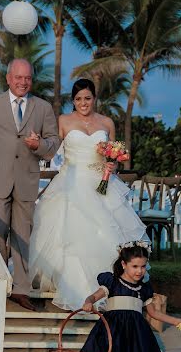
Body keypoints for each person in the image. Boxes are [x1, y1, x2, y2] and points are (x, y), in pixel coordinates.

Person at [29, 78, 148, 310]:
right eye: (78, 99)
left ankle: (109, 287)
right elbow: (50, 149)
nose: (83, 103)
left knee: (106, 232)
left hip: (102, 183)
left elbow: (117, 155)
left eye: (87, 98)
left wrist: (114, 165)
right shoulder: (63, 120)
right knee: (72, 237)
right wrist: (37, 144)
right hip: (71, 183)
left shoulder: (106, 122)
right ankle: (73, 287)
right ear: (73, 101)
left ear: (94, 98)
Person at [0, 59, 60, 311]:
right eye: (18, 77)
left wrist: (38, 146)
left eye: (27, 78)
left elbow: (53, 144)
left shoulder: (43, 107)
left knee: (22, 236)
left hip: (27, 180)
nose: (23, 82)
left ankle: (21, 290)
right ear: (8, 78)